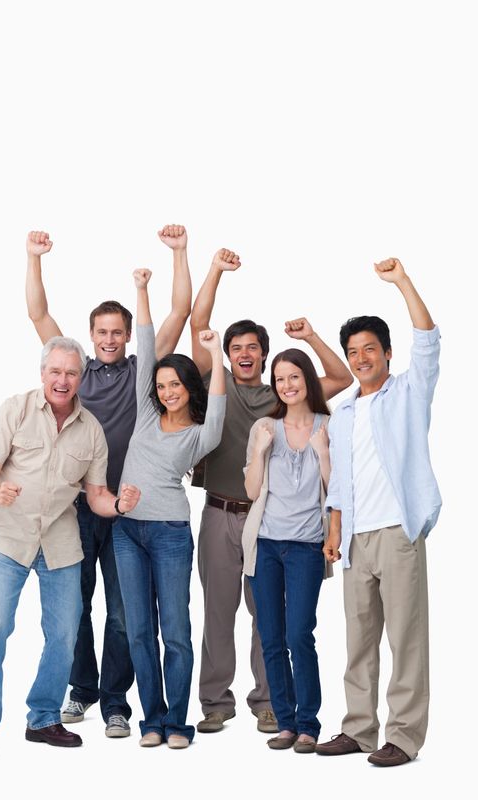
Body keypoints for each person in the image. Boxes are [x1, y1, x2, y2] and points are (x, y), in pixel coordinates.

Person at [25, 225, 191, 738]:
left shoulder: (146, 372)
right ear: (92, 336)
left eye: (119, 331)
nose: (112, 339)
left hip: (127, 510)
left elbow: (179, 313)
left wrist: (179, 254)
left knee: (122, 614)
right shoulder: (78, 372)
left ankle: (116, 701)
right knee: (75, 606)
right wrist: (33, 258)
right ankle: (82, 691)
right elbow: (37, 315)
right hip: (75, 507)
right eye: (103, 332)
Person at [190, 250, 353, 734]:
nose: (243, 353)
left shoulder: (282, 395)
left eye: (251, 348)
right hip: (220, 513)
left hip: (271, 520)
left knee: (270, 618)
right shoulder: (214, 386)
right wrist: (216, 270)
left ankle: (269, 701)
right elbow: (199, 319)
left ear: (263, 354)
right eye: (235, 347)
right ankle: (216, 702)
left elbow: (341, 378)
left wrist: (309, 337)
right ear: (228, 353)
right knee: (218, 612)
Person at [0, 337, 141, 759]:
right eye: (55, 372)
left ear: (82, 378)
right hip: (10, 537)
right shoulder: (15, 409)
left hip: (61, 543)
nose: (62, 380)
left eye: (71, 373)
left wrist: (117, 504)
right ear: (43, 373)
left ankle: (43, 718)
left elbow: (95, 494)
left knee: (63, 633)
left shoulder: (91, 430)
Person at [316, 258, 441, 767]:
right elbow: (341, 481)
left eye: (370, 349)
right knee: (358, 641)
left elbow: (429, 342)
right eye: (354, 352)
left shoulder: (409, 392)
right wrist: (334, 528)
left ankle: (405, 736)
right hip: (354, 541)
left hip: (397, 532)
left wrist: (402, 283)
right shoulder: (343, 411)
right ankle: (359, 729)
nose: (361, 357)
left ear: (387, 353)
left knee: (406, 639)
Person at [112, 266, 226, 749]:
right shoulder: (144, 411)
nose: (166, 391)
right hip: (126, 531)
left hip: (170, 533)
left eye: (174, 385)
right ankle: (152, 721)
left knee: (175, 630)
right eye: (160, 385)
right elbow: (144, 340)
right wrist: (141, 290)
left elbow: (218, 407)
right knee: (139, 631)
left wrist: (216, 354)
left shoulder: (201, 434)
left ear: (187, 387)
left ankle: (178, 723)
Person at [243, 347, 342, 752]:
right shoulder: (264, 427)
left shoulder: (328, 426)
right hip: (265, 545)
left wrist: (322, 454)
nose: (287, 385)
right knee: (271, 635)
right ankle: (285, 722)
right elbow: (252, 492)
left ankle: (308, 724)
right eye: (280, 379)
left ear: (308, 380)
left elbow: (338, 491)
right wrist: (261, 452)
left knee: (299, 633)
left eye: (294, 377)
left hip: (305, 547)